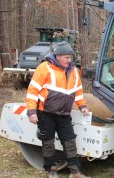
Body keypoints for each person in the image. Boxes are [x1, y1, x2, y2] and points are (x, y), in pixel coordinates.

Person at [26, 42, 90, 178]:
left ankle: (75, 173)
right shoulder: (45, 68)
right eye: (66, 57)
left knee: (70, 142)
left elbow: (78, 91)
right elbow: (32, 91)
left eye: (70, 57)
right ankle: (51, 170)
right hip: (46, 114)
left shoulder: (73, 70)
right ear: (58, 56)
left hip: (64, 114)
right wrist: (31, 112)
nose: (69, 60)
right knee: (48, 143)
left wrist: (82, 106)